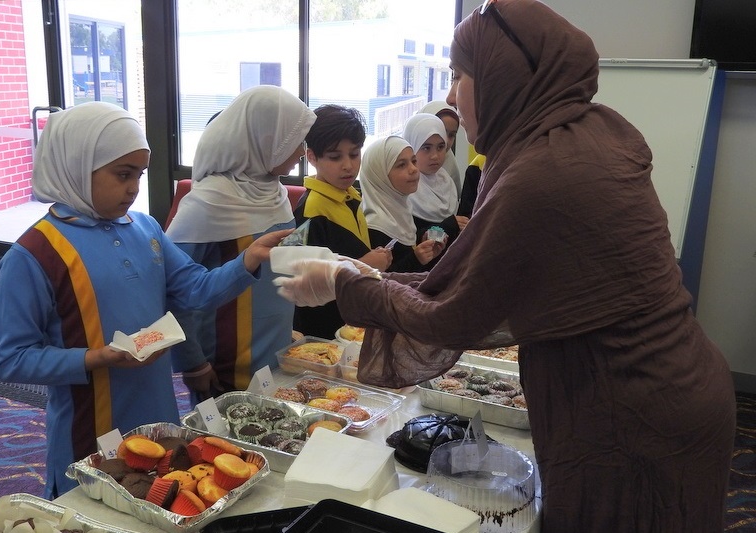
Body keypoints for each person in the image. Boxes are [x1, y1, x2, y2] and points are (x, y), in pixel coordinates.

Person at [273, 1, 737, 531]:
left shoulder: (542, 172)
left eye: (458, 75)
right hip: (665, 391)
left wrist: (344, 281)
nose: (451, 95)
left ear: (501, 74)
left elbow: (455, 313)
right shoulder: (594, 132)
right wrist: (360, 277)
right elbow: (468, 282)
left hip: (630, 413)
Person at [0, 101, 290, 499]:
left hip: (158, 414)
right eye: (122, 174)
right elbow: (10, 358)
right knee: (92, 513)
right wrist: (97, 357)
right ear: (78, 167)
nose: (133, 187)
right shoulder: (35, 254)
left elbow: (196, 289)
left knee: (161, 499)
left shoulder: (145, 228)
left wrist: (246, 261)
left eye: (139, 174)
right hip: (90, 425)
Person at [165, 86, 316, 405]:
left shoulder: (274, 193)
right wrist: (193, 362)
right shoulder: (208, 202)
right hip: (224, 364)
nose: (302, 151)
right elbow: (172, 290)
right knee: (224, 448)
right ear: (263, 139)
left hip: (274, 355)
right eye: (295, 140)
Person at [293, 104, 391, 339]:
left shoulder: (350, 196)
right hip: (324, 330)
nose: (348, 165)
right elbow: (306, 283)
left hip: (351, 319)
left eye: (354, 154)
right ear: (312, 157)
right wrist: (364, 264)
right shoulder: (312, 209)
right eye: (335, 157)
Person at [359, 135, 445, 272]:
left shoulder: (399, 208)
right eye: (401, 165)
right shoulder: (375, 226)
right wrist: (416, 259)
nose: (413, 169)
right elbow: (381, 281)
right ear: (380, 176)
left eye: (414, 161)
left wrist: (424, 244)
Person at [403, 113, 467, 252]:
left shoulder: (446, 181)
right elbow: (414, 240)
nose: (435, 156)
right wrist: (449, 226)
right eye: (426, 148)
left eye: (440, 147)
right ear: (411, 146)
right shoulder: (404, 188)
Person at [419, 100, 463, 196]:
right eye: (440, 131)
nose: (445, 141)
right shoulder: (400, 171)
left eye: (451, 135)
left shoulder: (449, 168)